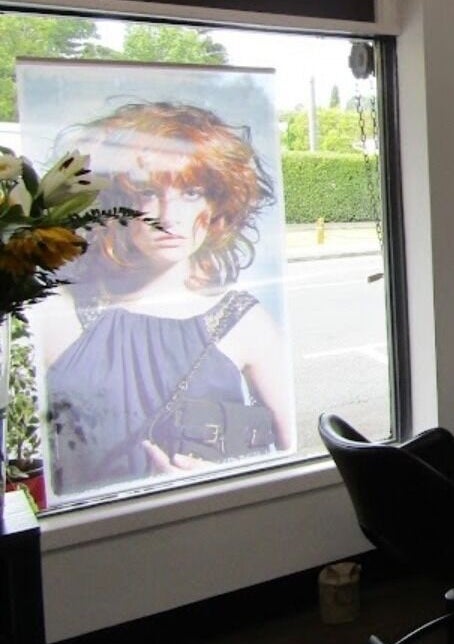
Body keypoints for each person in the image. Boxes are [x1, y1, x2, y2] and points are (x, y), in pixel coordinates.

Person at [35, 101, 294, 497]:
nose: (169, 215)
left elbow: (292, 464)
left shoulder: (245, 323)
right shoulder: (59, 315)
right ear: (114, 203)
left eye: (191, 193)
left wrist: (223, 480)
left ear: (216, 203)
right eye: (148, 193)